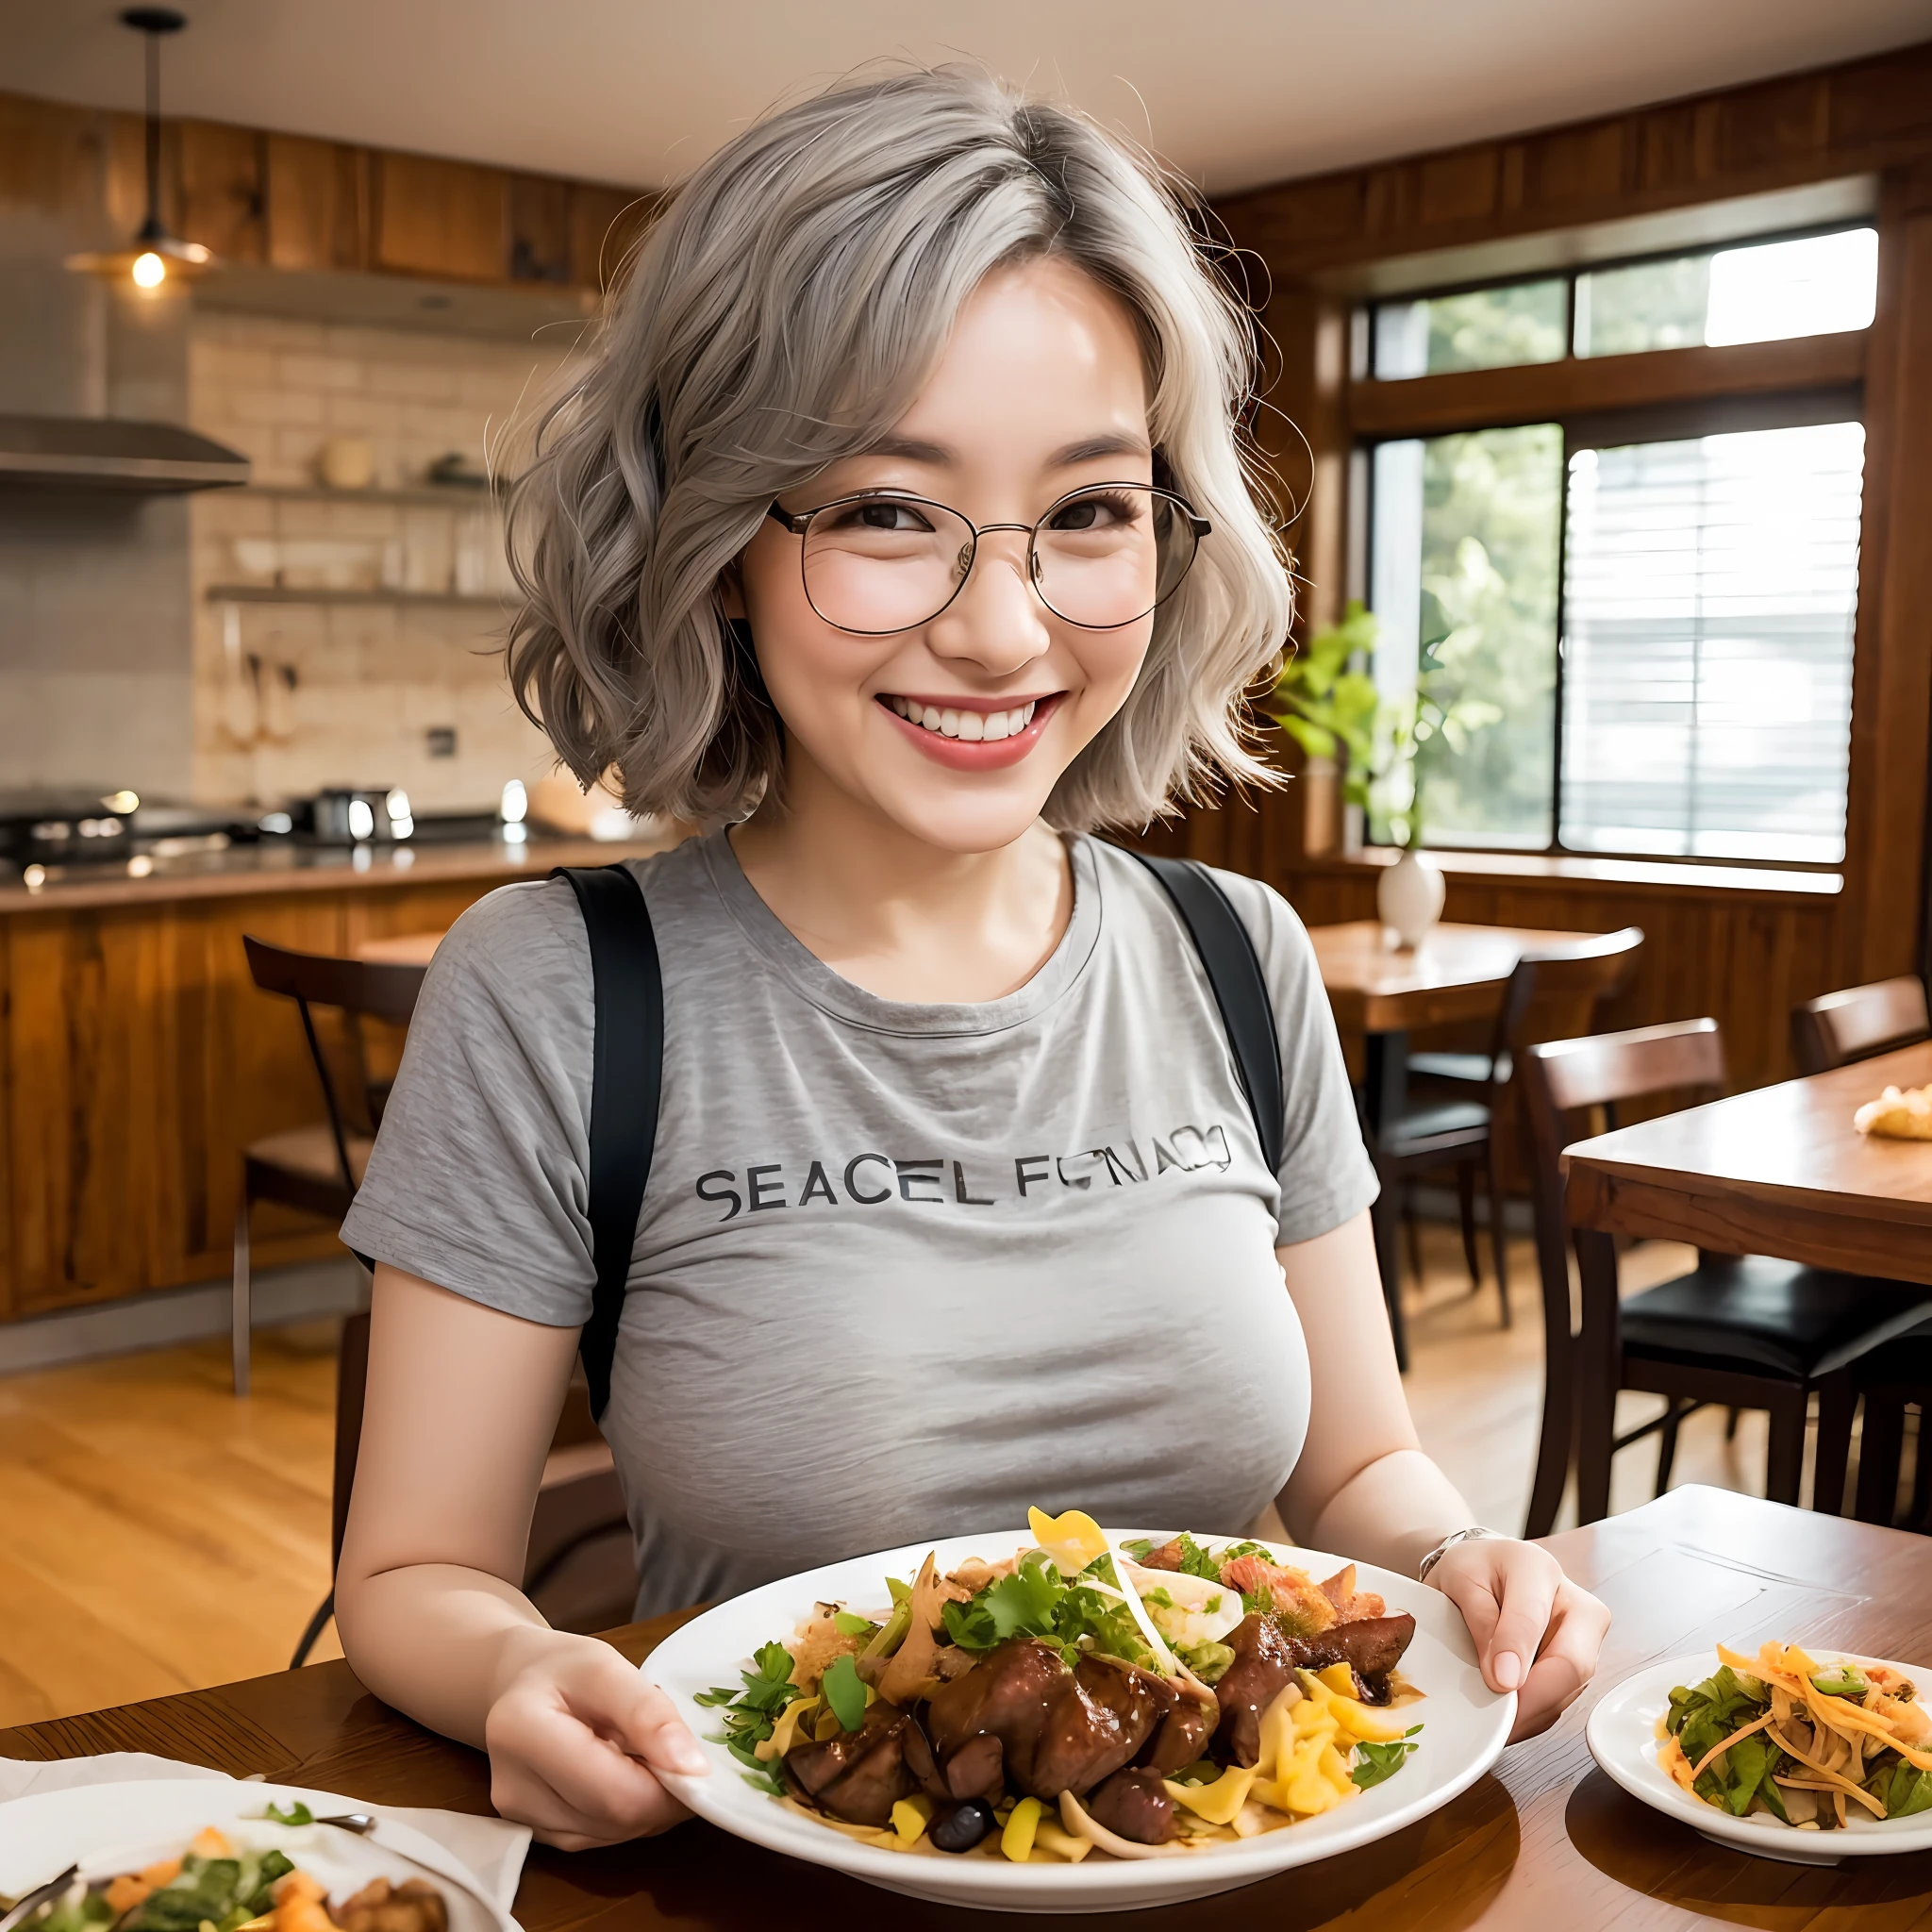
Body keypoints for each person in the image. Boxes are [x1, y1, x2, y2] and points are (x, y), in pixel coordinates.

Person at [334, 66, 1608, 1851]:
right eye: (883, 511)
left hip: (1230, 1865)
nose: (1002, 629)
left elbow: (1352, 1467)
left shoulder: (1236, 956)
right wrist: (513, 1674)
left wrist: (1465, 1555)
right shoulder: (558, 989)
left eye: (1089, 511)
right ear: (715, 546)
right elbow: (410, 1570)